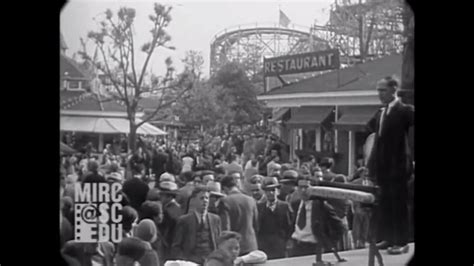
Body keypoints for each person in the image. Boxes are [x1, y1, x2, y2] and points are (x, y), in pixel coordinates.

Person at [367, 76, 414, 255]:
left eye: (383, 90)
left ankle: (402, 242)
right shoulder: (380, 113)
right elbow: (376, 141)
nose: (379, 94)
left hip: (399, 167)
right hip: (383, 168)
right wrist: (371, 167)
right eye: (378, 90)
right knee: (385, 204)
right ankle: (387, 238)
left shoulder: (404, 111)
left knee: (399, 205)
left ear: (394, 90)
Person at [289, 177, 346, 263]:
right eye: (300, 187)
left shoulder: (322, 207)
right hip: (296, 248)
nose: (303, 190)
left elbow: (340, 227)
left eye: (306, 187)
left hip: (313, 249)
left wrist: (329, 244)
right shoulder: (295, 204)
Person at [172, 186, 222, 264]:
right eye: (202, 198)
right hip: (191, 261)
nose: (205, 201)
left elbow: (219, 242)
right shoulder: (184, 221)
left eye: (207, 198)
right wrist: (184, 262)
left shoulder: (215, 219)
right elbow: (176, 246)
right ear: (194, 200)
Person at [218, 175, 258, 255]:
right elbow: (256, 224)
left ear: (225, 188)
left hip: (234, 247)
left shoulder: (225, 201)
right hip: (251, 244)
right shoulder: (251, 200)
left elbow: (225, 228)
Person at [256, 177, 293, 259]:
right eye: (268, 191)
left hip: (280, 244)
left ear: (278, 191)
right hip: (264, 245)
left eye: (273, 190)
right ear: (264, 192)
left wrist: (288, 241)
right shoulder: (259, 207)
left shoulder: (285, 206)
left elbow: (290, 225)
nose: (271, 193)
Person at [158, 181, 183, 261]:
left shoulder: (168, 211)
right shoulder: (179, 208)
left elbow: (166, 232)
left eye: (162, 195)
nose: (160, 197)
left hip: (169, 246)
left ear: (169, 197)